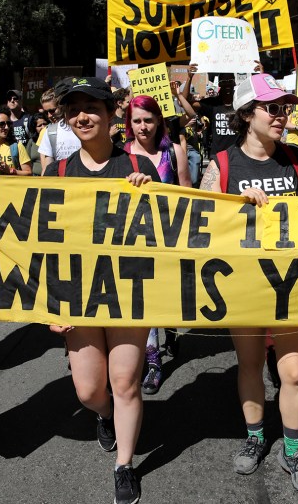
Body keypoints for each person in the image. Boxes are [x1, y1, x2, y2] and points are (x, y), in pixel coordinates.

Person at [200, 73, 298, 495]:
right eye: (272, 107)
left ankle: (293, 450)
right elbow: (201, 224)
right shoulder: (222, 163)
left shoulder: (294, 159)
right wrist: (234, 207)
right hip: (244, 285)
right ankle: (255, 436)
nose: (282, 114)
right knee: (250, 364)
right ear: (246, 114)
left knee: (294, 370)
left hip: (292, 284)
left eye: (285, 107)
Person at [44, 77, 158, 504]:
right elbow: (43, 247)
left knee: (125, 380)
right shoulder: (56, 172)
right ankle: (105, 416)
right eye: (73, 109)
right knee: (90, 391)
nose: (82, 115)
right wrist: (51, 304)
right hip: (79, 296)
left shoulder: (138, 167)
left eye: (92, 106)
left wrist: (151, 196)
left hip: (129, 290)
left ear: (112, 115)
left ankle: (124, 465)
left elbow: (163, 233)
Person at [121, 95, 191, 394]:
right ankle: (152, 360)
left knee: (167, 298)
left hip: (169, 239)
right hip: (135, 242)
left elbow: (188, 194)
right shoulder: (120, 156)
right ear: (129, 124)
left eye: (148, 120)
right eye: (136, 120)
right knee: (144, 302)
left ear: (159, 121)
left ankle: (171, 329)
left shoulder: (174, 152)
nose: (143, 126)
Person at [38, 85, 81, 173]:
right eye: (46, 112)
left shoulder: (82, 126)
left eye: (52, 110)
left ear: (62, 106)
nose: (49, 115)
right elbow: (46, 169)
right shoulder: (49, 132)